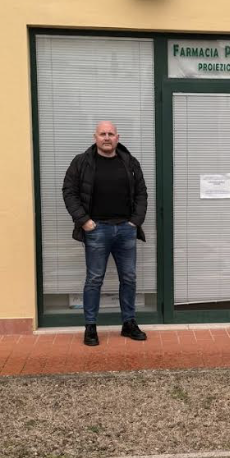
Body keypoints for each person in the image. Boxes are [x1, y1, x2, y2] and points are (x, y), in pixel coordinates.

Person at [62, 121, 148, 346]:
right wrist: (84, 221)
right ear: (95, 137)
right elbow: (69, 192)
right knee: (94, 279)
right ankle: (90, 327)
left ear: (117, 137)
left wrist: (135, 222)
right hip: (96, 230)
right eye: (103, 134)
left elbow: (141, 193)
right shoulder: (82, 162)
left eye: (111, 134)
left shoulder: (130, 162)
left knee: (129, 278)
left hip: (126, 230)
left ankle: (128, 323)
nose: (107, 138)